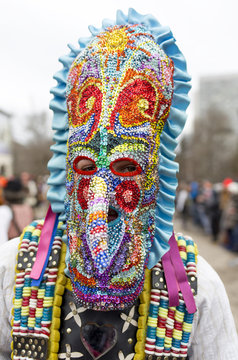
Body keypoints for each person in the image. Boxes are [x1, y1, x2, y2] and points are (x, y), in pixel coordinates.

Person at [0, 9, 238, 360]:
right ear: (67, 166)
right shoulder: (13, 269)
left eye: (126, 166)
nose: (101, 194)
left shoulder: (196, 287)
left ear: (156, 172)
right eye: (86, 165)